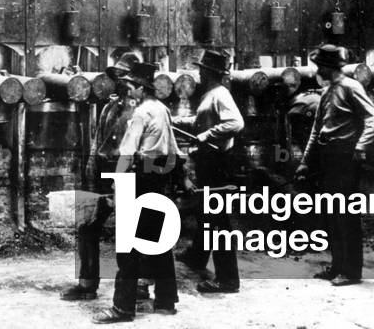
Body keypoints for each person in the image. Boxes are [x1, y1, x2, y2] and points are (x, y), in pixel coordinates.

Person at [93, 62, 181, 324]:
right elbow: (173, 148)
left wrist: (117, 184)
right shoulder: (162, 109)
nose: (129, 90)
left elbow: (127, 152)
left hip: (139, 178)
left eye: (132, 86)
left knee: (127, 247)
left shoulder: (141, 113)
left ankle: (122, 309)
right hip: (158, 178)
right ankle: (166, 301)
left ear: (142, 88)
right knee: (158, 242)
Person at [295, 43, 374, 286]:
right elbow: (316, 131)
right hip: (327, 157)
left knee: (346, 215)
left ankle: (351, 271)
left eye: (319, 66)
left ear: (327, 67)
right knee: (332, 214)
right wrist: (305, 163)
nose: (316, 71)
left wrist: (361, 146)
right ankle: (337, 266)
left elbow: (373, 118)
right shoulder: (327, 91)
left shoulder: (351, 87)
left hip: (345, 157)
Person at [61, 55, 141, 302]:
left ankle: (140, 287)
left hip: (127, 174)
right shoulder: (109, 106)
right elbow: (98, 139)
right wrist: (91, 164)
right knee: (87, 226)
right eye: (117, 77)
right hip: (104, 172)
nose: (119, 82)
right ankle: (87, 284)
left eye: (124, 77)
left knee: (132, 234)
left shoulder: (141, 110)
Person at [174, 49, 244, 293]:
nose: (199, 73)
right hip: (208, 161)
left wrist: (206, 135)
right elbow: (204, 123)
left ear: (210, 72)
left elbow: (236, 122)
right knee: (206, 213)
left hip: (218, 163)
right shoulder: (211, 94)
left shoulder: (220, 94)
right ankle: (197, 257)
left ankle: (228, 280)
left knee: (218, 220)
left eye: (202, 69)